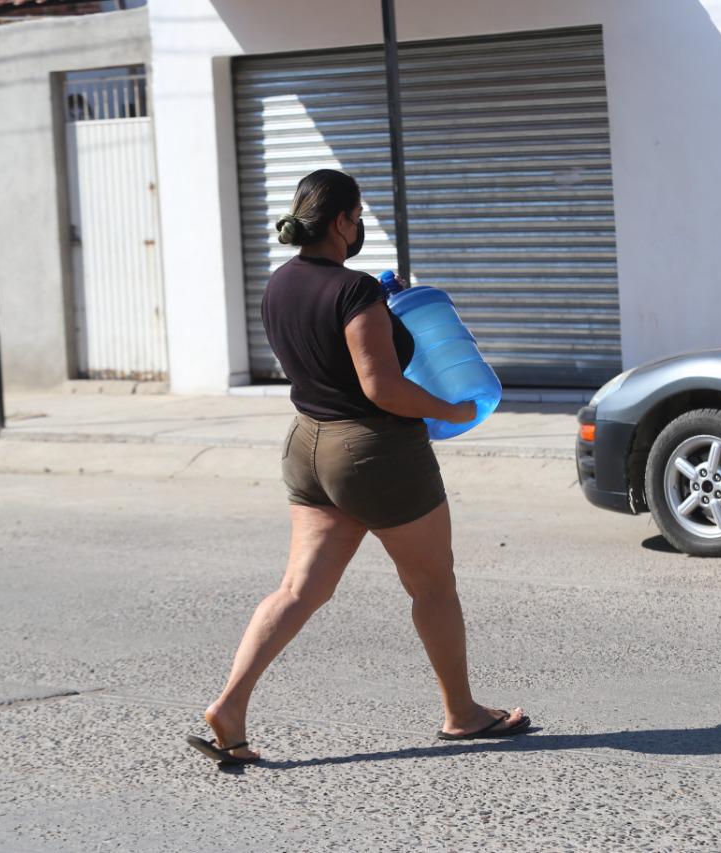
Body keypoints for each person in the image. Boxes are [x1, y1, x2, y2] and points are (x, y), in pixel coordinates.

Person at [187, 169, 530, 767]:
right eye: (359, 214)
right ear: (343, 221)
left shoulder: (279, 284)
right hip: (375, 454)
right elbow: (383, 388)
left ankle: (230, 705)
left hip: (308, 446)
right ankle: (462, 713)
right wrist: (451, 409)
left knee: (299, 590)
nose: (361, 224)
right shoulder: (355, 290)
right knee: (432, 585)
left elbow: (330, 362)